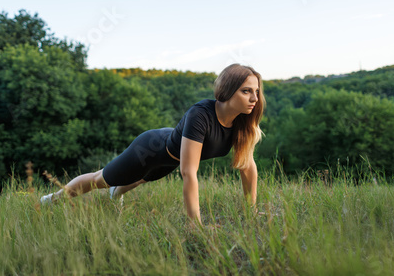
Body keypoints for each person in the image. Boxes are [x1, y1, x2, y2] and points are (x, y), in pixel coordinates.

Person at [40, 63, 265, 225]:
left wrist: (251, 211)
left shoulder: (243, 124)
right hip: (151, 148)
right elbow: (189, 173)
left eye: (256, 92)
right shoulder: (201, 114)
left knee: (140, 179)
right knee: (102, 179)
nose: (254, 99)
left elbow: (247, 167)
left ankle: (116, 196)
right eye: (246, 91)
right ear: (226, 91)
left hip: (171, 157)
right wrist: (196, 225)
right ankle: (52, 199)